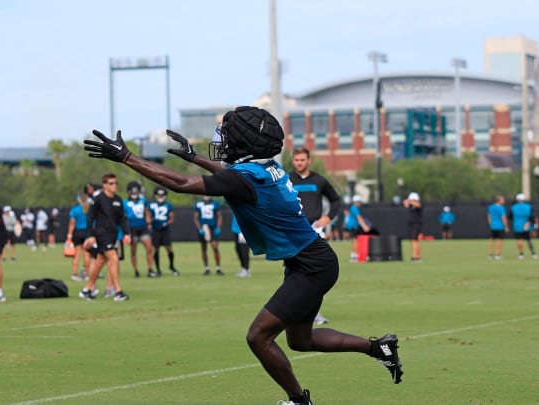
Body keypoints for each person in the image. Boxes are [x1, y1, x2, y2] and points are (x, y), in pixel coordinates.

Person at [84, 106, 403, 404]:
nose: (222, 141)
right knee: (300, 341)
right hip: (310, 261)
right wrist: (195, 158)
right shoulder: (268, 168)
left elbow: (182, 184)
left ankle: (298, 400)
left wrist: (126, 157)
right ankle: (380, 347)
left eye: (227, 135)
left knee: (258, 337)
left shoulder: (247, 178)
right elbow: (229, 174)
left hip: (311, 266)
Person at [289, 146, 341, 325]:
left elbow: (335, 200)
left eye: (302, 160)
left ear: (309, 160)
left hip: (315, 231)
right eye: (296, 160)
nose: (299, 163)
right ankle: (292, 310)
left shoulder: (319, 180)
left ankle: (313, 312)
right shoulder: (286, 180)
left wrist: (329, 217)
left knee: (316, 271)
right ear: (293, 160)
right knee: (293, 271)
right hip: (294, 231)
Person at [78, 173, 130, 302]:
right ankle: (118, 291)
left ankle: (87, 289)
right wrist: (90, 235)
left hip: (113, 235)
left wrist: (127, 233)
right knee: (114, 259)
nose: (114, 186)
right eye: (111, 183)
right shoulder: (99, 199)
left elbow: (122, 219)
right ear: (105, 185)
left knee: (100, 262)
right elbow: (90, 217)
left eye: (116, 183)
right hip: (101, 234)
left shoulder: (118, 200)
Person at [123, 181, 156, 277]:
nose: (134, 194)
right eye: (132, 192)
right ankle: (136, 270)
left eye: (136, 192)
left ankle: (150, 269)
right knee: (133, 251)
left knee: (149, 249)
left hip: (143, 227)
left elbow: (147, 213)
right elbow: (123, 216)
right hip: (131, 228)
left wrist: (149, 224)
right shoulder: (125, 203)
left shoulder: (143, 200)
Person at [148, 186, 179, 276]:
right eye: (159, 195)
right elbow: (148, 216)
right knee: (156, 249)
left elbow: (172, 218)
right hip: (156, 229)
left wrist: (166, 223)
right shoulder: (151, 205)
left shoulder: (168, 205)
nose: (160, 197)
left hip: (165, 230)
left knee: (169, 248)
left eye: (162, 195)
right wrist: (150, 222)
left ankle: (172, 266)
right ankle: (158, 269)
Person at [67, 188, 92, 281]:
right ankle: (88, 275)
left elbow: (72, 223)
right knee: (87, 255)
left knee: (77, 254)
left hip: (78, 233)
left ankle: (74, 274)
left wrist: (69, 234)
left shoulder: (75, 210)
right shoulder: (89, 208)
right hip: (87, 233)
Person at [194, 195, 223, 275]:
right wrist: (199, 228)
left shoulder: (215, 203)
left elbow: (219, 216)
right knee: (204, 248)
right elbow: (196, 218)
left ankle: (218, 268)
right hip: (203, 227)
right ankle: (207, 268)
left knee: (215, 247)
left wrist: (218, 227)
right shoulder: (198, 204)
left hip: (212, 227)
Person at [509, 193, 538, 260]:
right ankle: (533, 253)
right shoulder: (529, 206)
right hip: (527, 226)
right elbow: (533, 217)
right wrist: (529, 224)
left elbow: (510, 217)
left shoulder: (513, 207)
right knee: (528, 240)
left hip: (517, 226)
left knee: (519, 240)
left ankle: (521, 254)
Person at [344, 195, 371, 263]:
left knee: (355, 240)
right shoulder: (354, 208)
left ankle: (353, 256)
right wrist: (365, 226)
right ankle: (355, 257)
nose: (360, 203)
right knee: (356, 241)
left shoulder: (353, 207)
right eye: (359, 202)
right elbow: (359, 218)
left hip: (353, 226)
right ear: (356, 202)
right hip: (354, 226)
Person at [403, 192, 423, 262]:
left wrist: (411, 201)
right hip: (411, 225)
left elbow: (418, 205)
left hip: (416, 224)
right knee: (413, 240)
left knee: (415, 240)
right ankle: (417, 256)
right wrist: (407, 202)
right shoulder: (411, 206)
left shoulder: (418, 204)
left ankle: (416, 256)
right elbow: (406, 205)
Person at [487, 195, 508, 260]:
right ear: (499, 200)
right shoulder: (501, 208)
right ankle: (497, 255)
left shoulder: (490, 207)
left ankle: (490, 254)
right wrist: (506, 226)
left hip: (493, 226)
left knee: (492, 239)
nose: (504, 201)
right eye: (502, 199)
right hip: (500, 226)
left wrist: (490, 224)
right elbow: (503, 217)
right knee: (500, 240)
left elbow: (489, 217)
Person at [231, 213, 250, 278]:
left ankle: (246, 269)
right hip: (236, 230)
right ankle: (243, 267)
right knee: (238, 249)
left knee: (244, 250)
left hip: (243, 231)